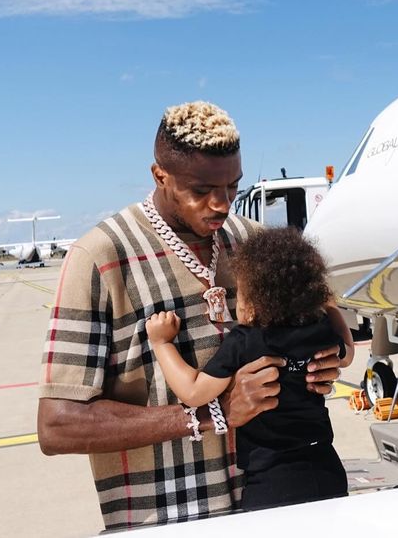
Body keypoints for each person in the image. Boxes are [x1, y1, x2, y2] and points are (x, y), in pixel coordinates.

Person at [37, 102, 341, 530]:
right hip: (166, 519)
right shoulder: (101, 257)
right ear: (160, 176)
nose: (221, 204)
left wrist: (320, 365)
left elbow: (319, 331)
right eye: (201, 190)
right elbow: (57, 426)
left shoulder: (255, 245)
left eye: (233, 187)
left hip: (272, 504)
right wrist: (213, 414)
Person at [146, 227, 355, 511]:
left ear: (255, 305)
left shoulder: (246, 342)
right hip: (327, 467)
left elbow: (194, 392)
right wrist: (329, 307)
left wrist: (162, 343)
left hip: (272, 478)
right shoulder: (319, 331)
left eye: (240, 296)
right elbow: (347, 351)